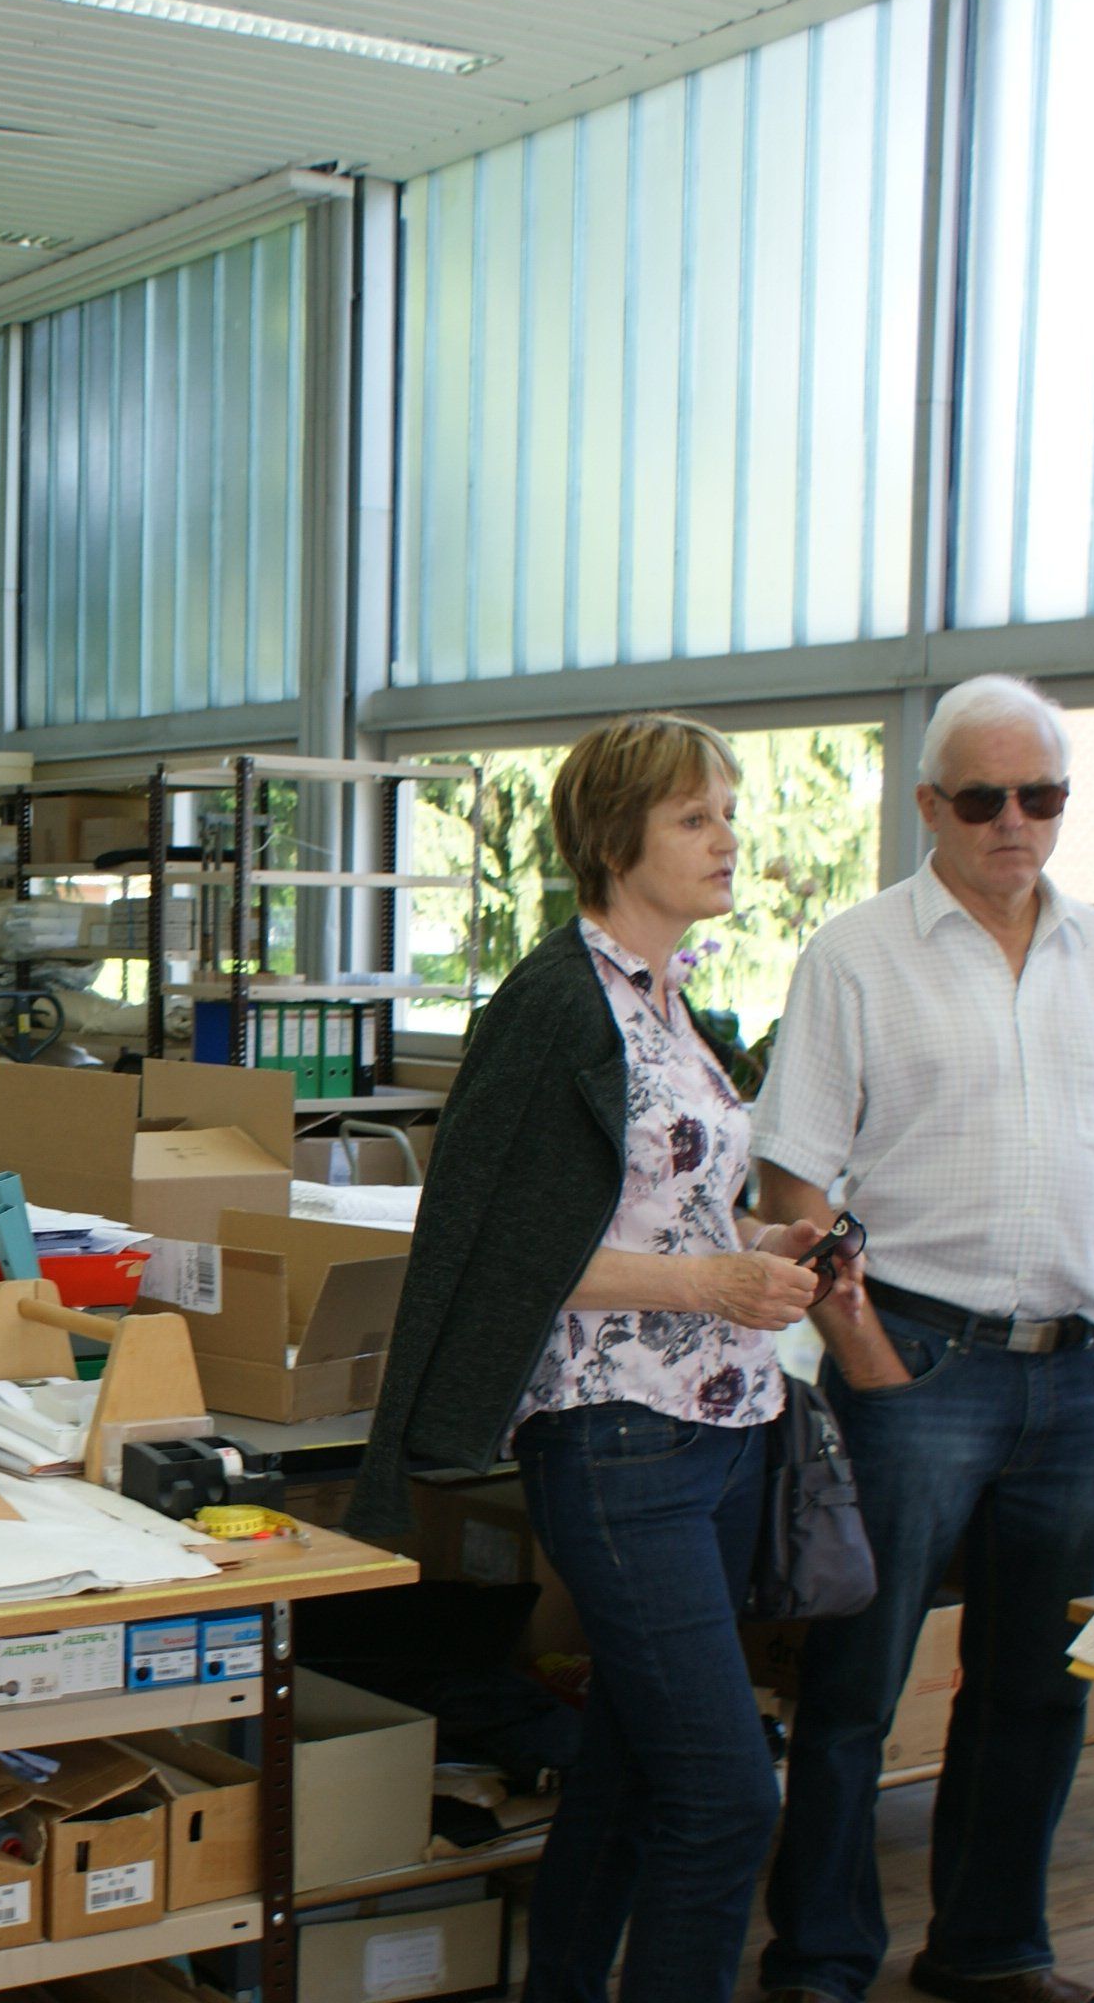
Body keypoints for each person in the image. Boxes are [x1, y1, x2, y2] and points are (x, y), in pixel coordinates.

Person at [349, 715, 837, 2003]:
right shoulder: (559, 1001)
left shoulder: (667, 1000)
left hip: (720, 1427)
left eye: (728, 813)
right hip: (621, 1439)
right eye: (695, 818)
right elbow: (497, 1247)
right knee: (727, 1797)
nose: (727, 840)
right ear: (616, 839)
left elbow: (652, 1212)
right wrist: (714, 1280)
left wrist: (757, 1244)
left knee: (627, 1772)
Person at [751, 674, 1094, 2003]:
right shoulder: (857, 953)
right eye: (983, 798)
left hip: (1084, 1374)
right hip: (918, 1364)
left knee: (1040, 1687)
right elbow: (794, 1178)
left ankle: (992, 1948)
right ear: (929, 805)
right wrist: (872, 1360)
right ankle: (821, 1957)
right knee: (856, 1686)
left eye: (1041, 796)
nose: (1015, 821)